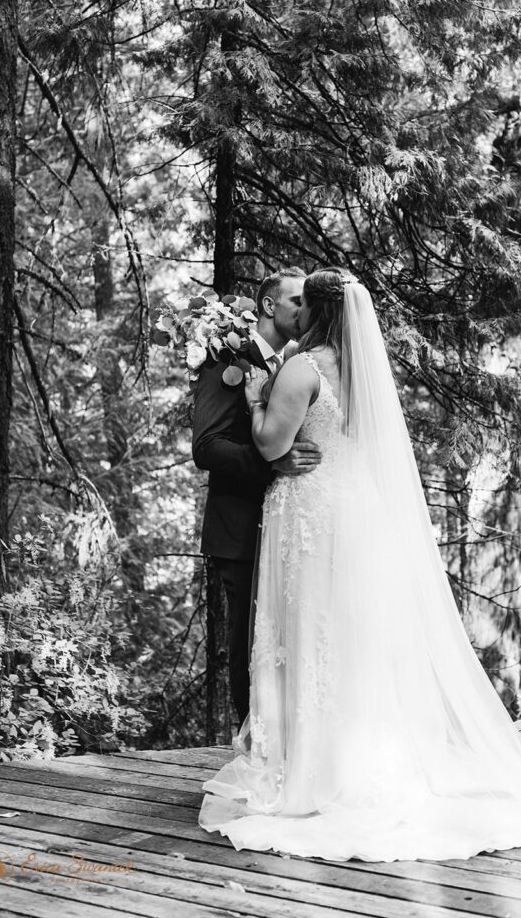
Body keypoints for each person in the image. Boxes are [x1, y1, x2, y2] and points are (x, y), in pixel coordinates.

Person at [198, 266, 521, 872]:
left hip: (310, 516)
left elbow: (273, 446)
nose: (294, 313)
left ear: (316, 311)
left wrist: (253, 404)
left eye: (303, 305)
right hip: (356, 515)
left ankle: (307, 769)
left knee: (307, 637)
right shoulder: (361, 373)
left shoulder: (302, 367)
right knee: (348, 641)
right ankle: (354, 759)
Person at [192, 267, 321, 726]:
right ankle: (249, 751)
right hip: (240, 530)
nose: (305, 311)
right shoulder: (226, 360)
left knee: (281, 645)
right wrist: (271, 462)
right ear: (269, 306)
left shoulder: (290, 363)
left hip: (286, 526)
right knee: (251, 645)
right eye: (296, 303)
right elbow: (206, 446)